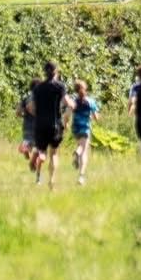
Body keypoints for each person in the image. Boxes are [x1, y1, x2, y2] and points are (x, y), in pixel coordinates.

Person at [29, 60, 70, 188]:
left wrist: (38, 115)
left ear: (44, 72)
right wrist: (66, 118)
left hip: (40, 125)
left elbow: (31, 107)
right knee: (54, 153)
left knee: (41, 151)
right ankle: (51, 179)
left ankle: (38, 177)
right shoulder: (60, 87)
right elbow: (68, 103)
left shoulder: (37, 88)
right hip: (55, 125)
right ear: (56, 71)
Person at [70, 78, 99, 183]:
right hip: (85, 127)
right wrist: (92, 116)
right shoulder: (90, 101)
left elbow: (69, 113)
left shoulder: (73, 101)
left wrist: (65, 123)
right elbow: (96, 117)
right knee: (83, 150)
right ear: (85, 89)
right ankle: (81, 176)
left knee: (80, 145)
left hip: (75, 127)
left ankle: (78, 153)